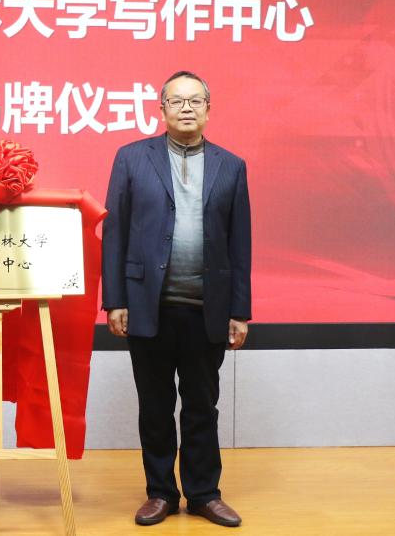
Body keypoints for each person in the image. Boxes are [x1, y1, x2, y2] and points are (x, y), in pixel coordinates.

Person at [102, 70, 251, 527]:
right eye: (176, 101)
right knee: (155, 405)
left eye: (195, 101)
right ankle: (161, 492)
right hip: (149, 305)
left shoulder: (231, 165)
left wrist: (239, 310)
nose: (186, 108)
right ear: (161, 109)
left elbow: (240, 242)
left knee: (202, 406)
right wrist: (115, 300)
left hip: (207, 308)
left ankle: (204, 493)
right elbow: (115, 232)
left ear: (208, 108)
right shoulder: (132, 158)